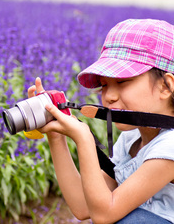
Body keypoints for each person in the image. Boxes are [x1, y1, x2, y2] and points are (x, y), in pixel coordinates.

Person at [28, 19, 174, 224]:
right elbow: (82, 206)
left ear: (166, 86)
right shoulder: (131, 138)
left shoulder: (169, 147)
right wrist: (56, 135)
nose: (109, 96)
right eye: (104, 86)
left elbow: (104, 214)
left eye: (122, 82)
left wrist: (84, 139)